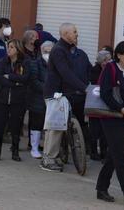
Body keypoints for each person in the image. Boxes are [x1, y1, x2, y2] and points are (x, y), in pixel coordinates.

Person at [94, 40, 124, 206]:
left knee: (113, 154)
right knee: (121, 155)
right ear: (118, 55)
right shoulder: (110, 68)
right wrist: (119, 108)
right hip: (110, 117)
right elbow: (105, 94)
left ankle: (101, 188)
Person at [41, 23, 92, 173]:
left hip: (64, 93)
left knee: (60, 126)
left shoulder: (67, 50)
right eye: (74, 32)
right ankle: (48, 159)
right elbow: (65, 73)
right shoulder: (59, 50)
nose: (77, 34)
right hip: (54, 93)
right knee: (55, 127)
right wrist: (83, 88)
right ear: (65, 34)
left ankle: (54, 156)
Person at [0, 39, 30, 161]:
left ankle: (15, 152)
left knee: (15, 126)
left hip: (18, 99)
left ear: (18, 50)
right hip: (1, 98)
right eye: (8, 47)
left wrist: (9, 76)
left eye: (12, 47)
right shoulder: (3, 61)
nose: (9, 49)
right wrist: (15, 82)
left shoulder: (25, 62)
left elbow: (25, 78)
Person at [27, 39, 52, 157]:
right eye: (46, 52)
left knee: (50, 125)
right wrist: (47, 88)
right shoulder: (35, 63)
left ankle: (49, 148)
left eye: (50, 52)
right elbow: (34, 81)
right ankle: (34, 148)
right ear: (41, 52)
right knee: (36, 124)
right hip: (37, 98)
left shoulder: (56, 65)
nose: (48, 54)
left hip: (52, 99)